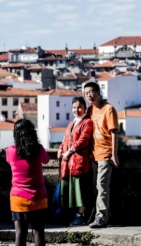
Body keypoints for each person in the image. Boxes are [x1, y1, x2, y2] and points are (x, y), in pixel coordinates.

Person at [6, 119, 50, 246]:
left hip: (18, 197)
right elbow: (46, 160)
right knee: (38, 232)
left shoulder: (10, 151)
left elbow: (9, 162)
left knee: (20, 232)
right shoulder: (39, 149)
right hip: (39, 196)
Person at [83, 82, 118, 229]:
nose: (89, 95)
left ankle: (101, 217)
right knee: (96, 187)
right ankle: (104, 214)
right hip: (93, 154)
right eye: (86, 93)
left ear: (98, 92)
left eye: (92, 92)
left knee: (102, 186)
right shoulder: (90, 110)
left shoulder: (108, 109)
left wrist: (114, 154)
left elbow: (114, 132)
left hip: (105, 153)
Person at [57, 96, 93, 226]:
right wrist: (60, 149)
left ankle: (80, 216)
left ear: (84, 108)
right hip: (67, 163)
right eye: (74, 107)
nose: (76, 110)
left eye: (79, 107)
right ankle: (70, 215)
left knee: (79, 190)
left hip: (78, 162)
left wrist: (69, 151)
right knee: (68, 190)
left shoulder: (87, 122)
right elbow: (65, 138)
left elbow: (83, 141)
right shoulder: (71, 123)